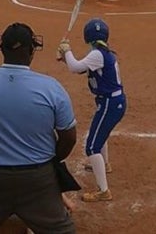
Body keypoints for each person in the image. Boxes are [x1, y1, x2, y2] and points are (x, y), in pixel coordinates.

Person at [0, 22, 78, 234]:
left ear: (1, 49)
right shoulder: (51, 87)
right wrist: (50, 164)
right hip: (38, 181)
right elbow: (69, 138)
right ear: (31, 51)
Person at [57, 18, 126, 203]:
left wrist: (67, 50)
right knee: (99, 134)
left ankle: (103, 191)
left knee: (92, 145)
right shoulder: (102, 53)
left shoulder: (98, 55)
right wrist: (65, 57)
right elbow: (80, 69)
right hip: (112, 103)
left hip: (110, 104)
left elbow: (74, 67)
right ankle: (105, 164)